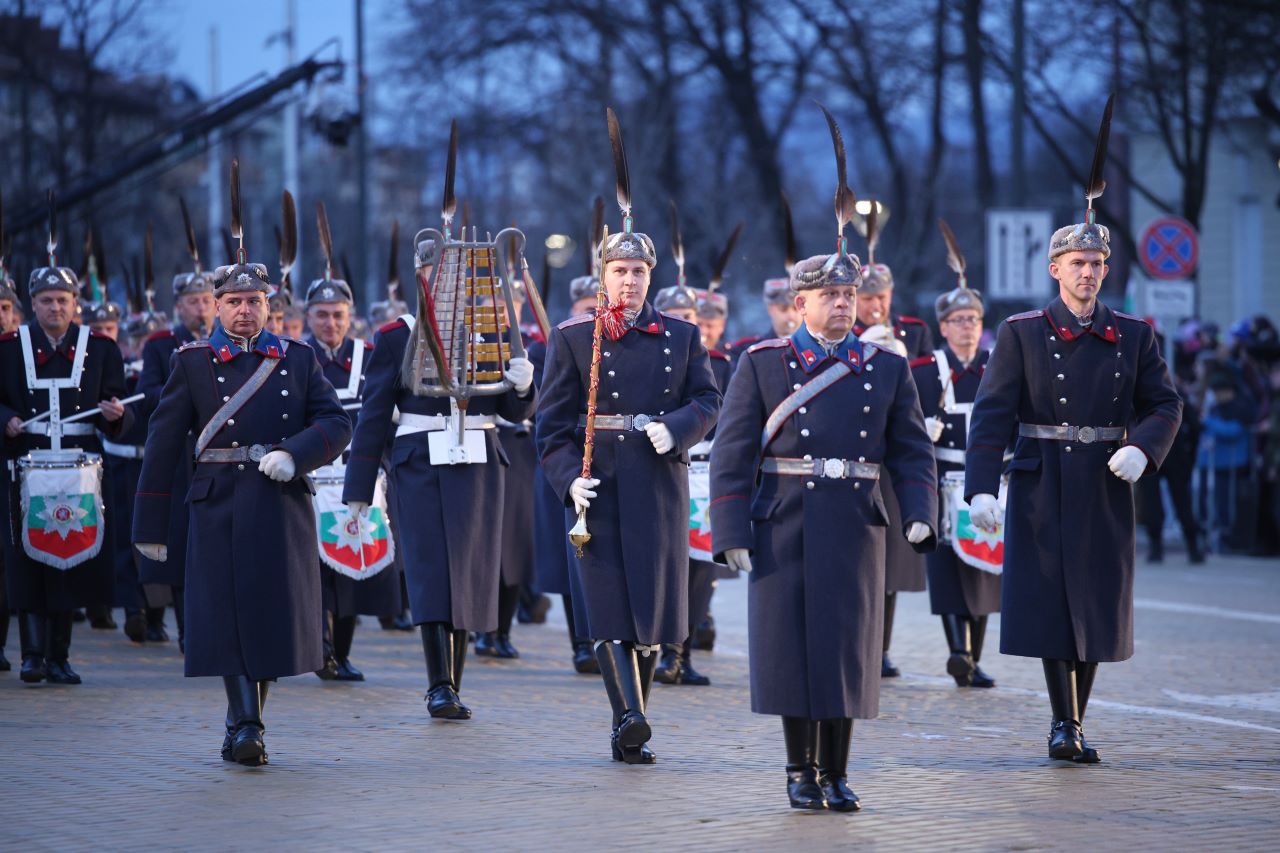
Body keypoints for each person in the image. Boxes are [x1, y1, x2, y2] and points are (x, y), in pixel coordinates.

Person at [710, 110, 936, 809]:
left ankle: (837, 770)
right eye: (829, 296)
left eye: (850, 295)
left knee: (847, 649)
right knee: (787, 650)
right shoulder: (764, 364)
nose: (843, 305)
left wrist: (921, 516)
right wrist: (731, 533)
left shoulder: (886, 368)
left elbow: (912, 451)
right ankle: (797, 769)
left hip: (855, 522)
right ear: (800, 301)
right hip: (784, 519)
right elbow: (733, 451)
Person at [965, 135, 1183, 762]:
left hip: (1106, 480)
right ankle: (1065, 724)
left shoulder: (1134, 336)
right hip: (1040, 480)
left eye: (1096, 264)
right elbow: (993, 414)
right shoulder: (1022, 334)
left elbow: (1165, 403)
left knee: (1095, 603)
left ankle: (1076, 718)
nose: (1087, 273)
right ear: (1055, 270)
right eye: (1076, 264)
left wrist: (1145, 448)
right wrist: (983, 485)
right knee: (1052, 605)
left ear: (1105, 271)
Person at [133, 196, 351, 766]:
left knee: (269, 617)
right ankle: (246, 722)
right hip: (217, 501)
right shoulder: (191, 362)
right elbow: (160, 446)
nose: (245, 311)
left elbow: (336, 422)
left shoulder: (298, 360)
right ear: (217, 308)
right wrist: (150, 525)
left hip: (278, 500)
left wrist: (296, 454)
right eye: (234, 302)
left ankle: (248, 718)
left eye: (255, 301)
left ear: (269, 307)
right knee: (225, 614)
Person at [536, 110, 720, 764]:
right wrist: (567, 478)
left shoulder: (680, 335)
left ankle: (631, 718)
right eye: (619, 273)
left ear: (651, 279)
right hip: (600, 485)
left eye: (639, 273)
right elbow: (551, 426)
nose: (630, 282)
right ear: (602, 276)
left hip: (659, 480)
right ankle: (631, 715)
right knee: (609, 602)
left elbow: (708, 399)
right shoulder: (570, 340)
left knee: (652, 608)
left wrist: (677, 430)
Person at [342, 229, 536, 721]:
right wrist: (359, 489)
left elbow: (512, 411)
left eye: (451, 273)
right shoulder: (394, 336)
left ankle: (455, 681)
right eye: (434, 273)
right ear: (420, 275)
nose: (443, 283)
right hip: (419, 458)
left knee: (470, 571)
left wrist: (523, 385)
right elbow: (372, 414)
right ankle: (438, 685)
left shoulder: (488, 327)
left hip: (478, 460)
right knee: (430, 570)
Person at [1, 239, 131, 685]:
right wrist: (7, 420)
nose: (55, 308)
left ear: (76, 303)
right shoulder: (6, 348)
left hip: (81, 473)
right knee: (28, 562)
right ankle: (32, 656)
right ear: (31, 304)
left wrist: (118, 414)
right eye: (45, 301)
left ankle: (60, 656)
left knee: (72, 560)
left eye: (62, 300)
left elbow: (118, 408)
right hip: (25, 468)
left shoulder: (101, 348)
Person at [303, 231, 402, 681]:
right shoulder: (296, 359)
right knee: (316, 577)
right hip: (310, 484)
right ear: (308, 317)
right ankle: (320, 653)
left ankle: (340, 652)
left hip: (357, 482)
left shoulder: (369, 355)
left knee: (351, 569)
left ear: (350, 316)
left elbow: (384, 421)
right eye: (321, 315)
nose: (329, 323)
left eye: (337, 315)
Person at [909, 236, 1000, 688]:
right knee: (946, 569)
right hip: (942, 480)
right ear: (942, 327)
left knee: (985, 567)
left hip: (985, 480)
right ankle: (958, 651)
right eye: (958, 320)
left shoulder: (997, 368)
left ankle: (974, 658)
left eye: (974, 320)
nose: (967, 327)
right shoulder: (924, 371)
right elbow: (903, 425)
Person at [135, 237, 218, 653]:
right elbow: (149, 393)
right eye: (194, 301)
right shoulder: (160, 345)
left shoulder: (227, 344)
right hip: (179, 455)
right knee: (183, 545)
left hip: (215, 453)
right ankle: (187, 630)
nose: (201, 308)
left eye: (207, 299)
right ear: (179, 306)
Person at [532, 273, 601, 674]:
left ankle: (599, 638)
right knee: (571, 553)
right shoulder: (560, 340)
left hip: (601, 459)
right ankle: (579, 640)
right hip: (565, 461)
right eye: (585, 308)